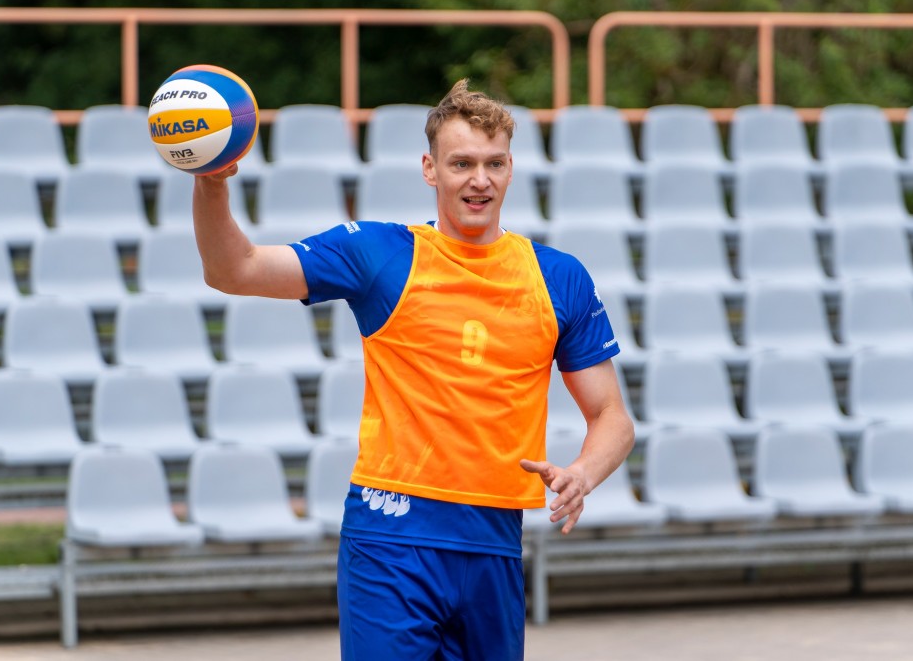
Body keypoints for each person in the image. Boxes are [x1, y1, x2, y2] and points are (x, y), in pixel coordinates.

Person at [193, 79, 634, 661]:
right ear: (430, 169)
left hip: (494, 542)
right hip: (390, 537)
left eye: (494, 163)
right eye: (461, 164)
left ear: (510, 169)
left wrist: (583, 472)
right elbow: (235, 269)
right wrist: (211, 180)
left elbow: (611, 416)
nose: (479, 180)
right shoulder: (379, 254)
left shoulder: (558, 277)